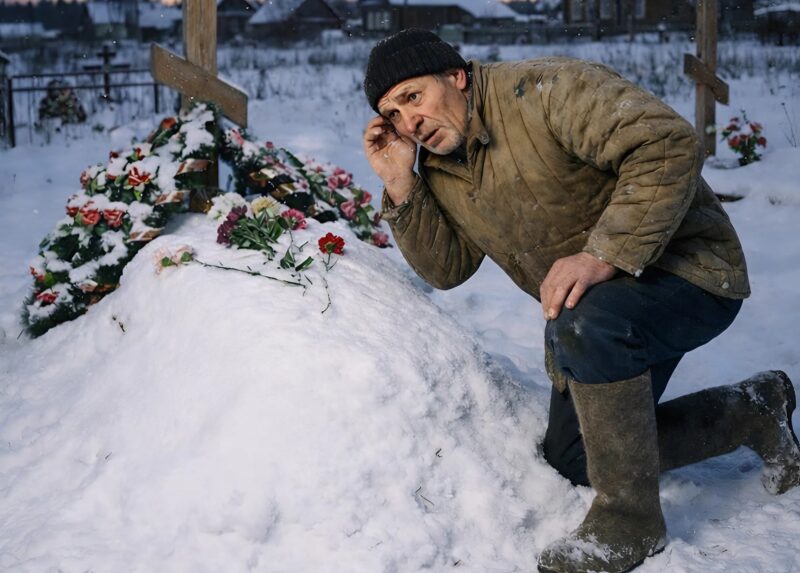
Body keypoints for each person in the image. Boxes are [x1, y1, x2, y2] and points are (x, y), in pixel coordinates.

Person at [362, 28, 800, 573]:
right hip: (598, 313)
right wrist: (401, 184)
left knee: (585, 323)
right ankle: (753, 410)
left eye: (414, 97)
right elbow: (446, 270)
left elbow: (666, 143)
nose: (410, 122)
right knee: (577, 458)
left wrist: (602, 254)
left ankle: (630, 523)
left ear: (456, 76)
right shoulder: (440, 164)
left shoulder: (548, 89)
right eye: (393, 114)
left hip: (690, 271)